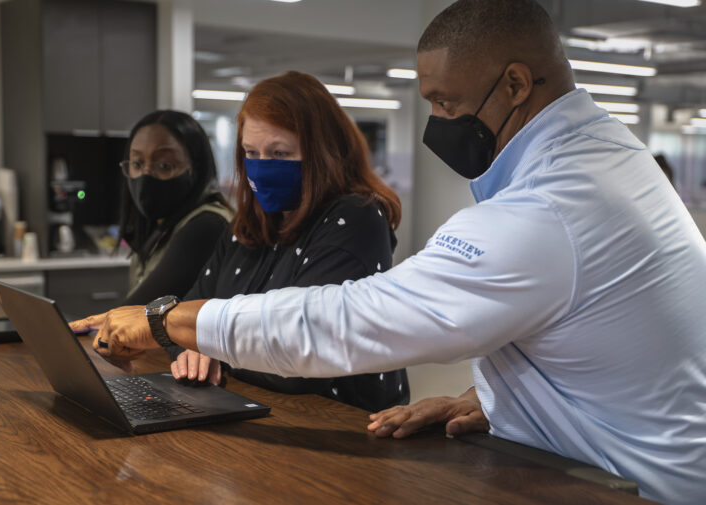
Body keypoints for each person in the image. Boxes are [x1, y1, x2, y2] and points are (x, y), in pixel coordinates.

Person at [72, 1, 706, 503]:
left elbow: (351, 321)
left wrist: (167, 320)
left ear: (516, 83)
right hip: (611, 463)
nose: (436, 120)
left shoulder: (548, 210)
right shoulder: (611, 158)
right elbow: (610, 333)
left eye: (446, 102)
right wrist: (500, 400)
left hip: (630, 490)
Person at [125, 72, 409, 412]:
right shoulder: (250, 223)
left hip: (344, 429)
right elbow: (185, 317)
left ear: (322, 153)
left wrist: (211, 341)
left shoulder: (356, 218)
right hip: (255, 416)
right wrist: (193, 344)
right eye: (251, 152)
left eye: (279, 153)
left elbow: (298, 363)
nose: (261, 167)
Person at [118, 110, 232, 305]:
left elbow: (133, 313)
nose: (145, 176)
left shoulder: (207, 225)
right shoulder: (159, 225)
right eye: (137, 163)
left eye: (164, 166)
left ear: (195, 169)